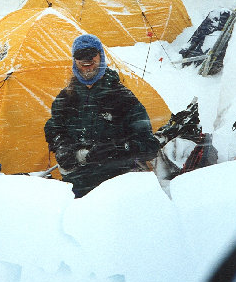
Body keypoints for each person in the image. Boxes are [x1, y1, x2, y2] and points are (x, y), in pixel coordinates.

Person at [44, 34, 160, 197]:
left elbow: (150, 146)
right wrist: (61, 145)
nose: (86, 61)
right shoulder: (66, 98)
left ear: (101, 56)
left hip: (116, 186)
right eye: (80, 56)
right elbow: (53, 128)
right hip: (76, 186)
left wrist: (116, 149)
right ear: (74, 61)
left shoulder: (122, 98)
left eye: (91, 54)